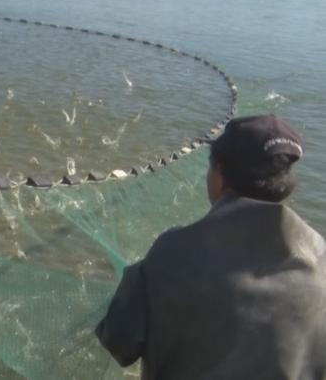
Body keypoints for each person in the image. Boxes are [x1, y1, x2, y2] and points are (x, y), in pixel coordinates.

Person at [95, 114, 326, 379]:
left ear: (219, 175)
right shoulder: (320, 255)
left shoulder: (173, 252)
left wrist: (139, 277)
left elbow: (119, 343)